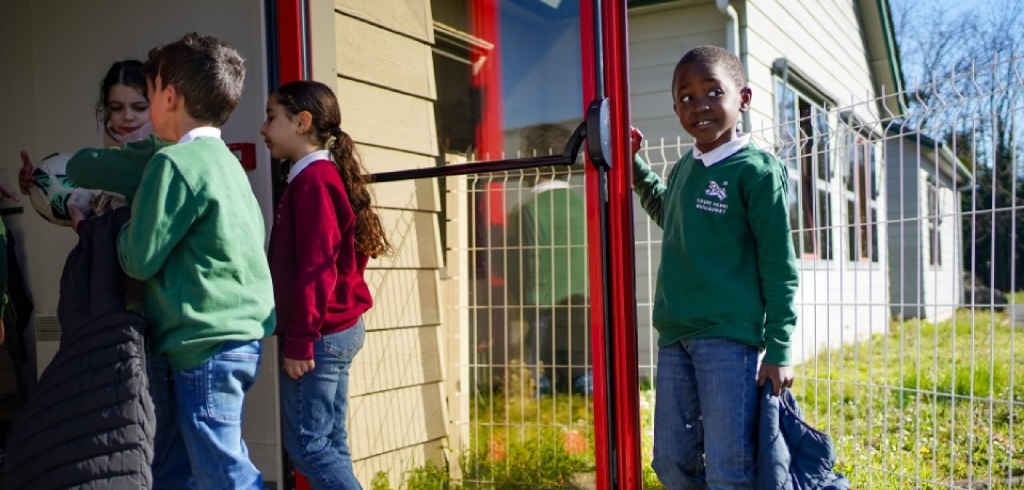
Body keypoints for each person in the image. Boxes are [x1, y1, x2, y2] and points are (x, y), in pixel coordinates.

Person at [62, 33, 275, 490]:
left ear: (170, 96)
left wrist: (113, 232)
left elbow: (139, 258)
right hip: (241, 335)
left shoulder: (173, 164)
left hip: (201, 339)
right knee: (193, 464)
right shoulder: (225, 161)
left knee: (219, 468)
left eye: (151, 93)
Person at [630, 45, 799, 490]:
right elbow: (669, 211)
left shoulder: (757, 172)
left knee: (728, 466)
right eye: (685, 97)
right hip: (675, 336)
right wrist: (633, 166)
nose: (698, 105)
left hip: (728, 341)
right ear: (674, 108)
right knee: (669, 462)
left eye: (712, 92)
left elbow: (779, 265)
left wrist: (779, 348)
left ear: (742, 98)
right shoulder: (687, 166)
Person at [261, 80, 391, 490]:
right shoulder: (315, 178)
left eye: (270, 118)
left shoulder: (314, 182)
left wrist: (300, 340)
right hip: (335, 330)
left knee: (308, 445)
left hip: (319, 336)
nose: (263, 129)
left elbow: (318, 267)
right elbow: (345, 257)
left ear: (302, 122)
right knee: (330, 441)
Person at [506, 123, 589, 394]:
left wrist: (522, 302)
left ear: (533, 159)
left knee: (540, 383)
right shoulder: (583, 205)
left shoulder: (527, 210)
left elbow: (518, 265)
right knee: (582, 374)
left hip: (541, 306)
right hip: (583, 307)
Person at [19, 60, 154, 215]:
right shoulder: (104, 159)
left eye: (140, 108)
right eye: (117, 108)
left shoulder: (166, 153)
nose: (128, 116)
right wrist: (39, 183)